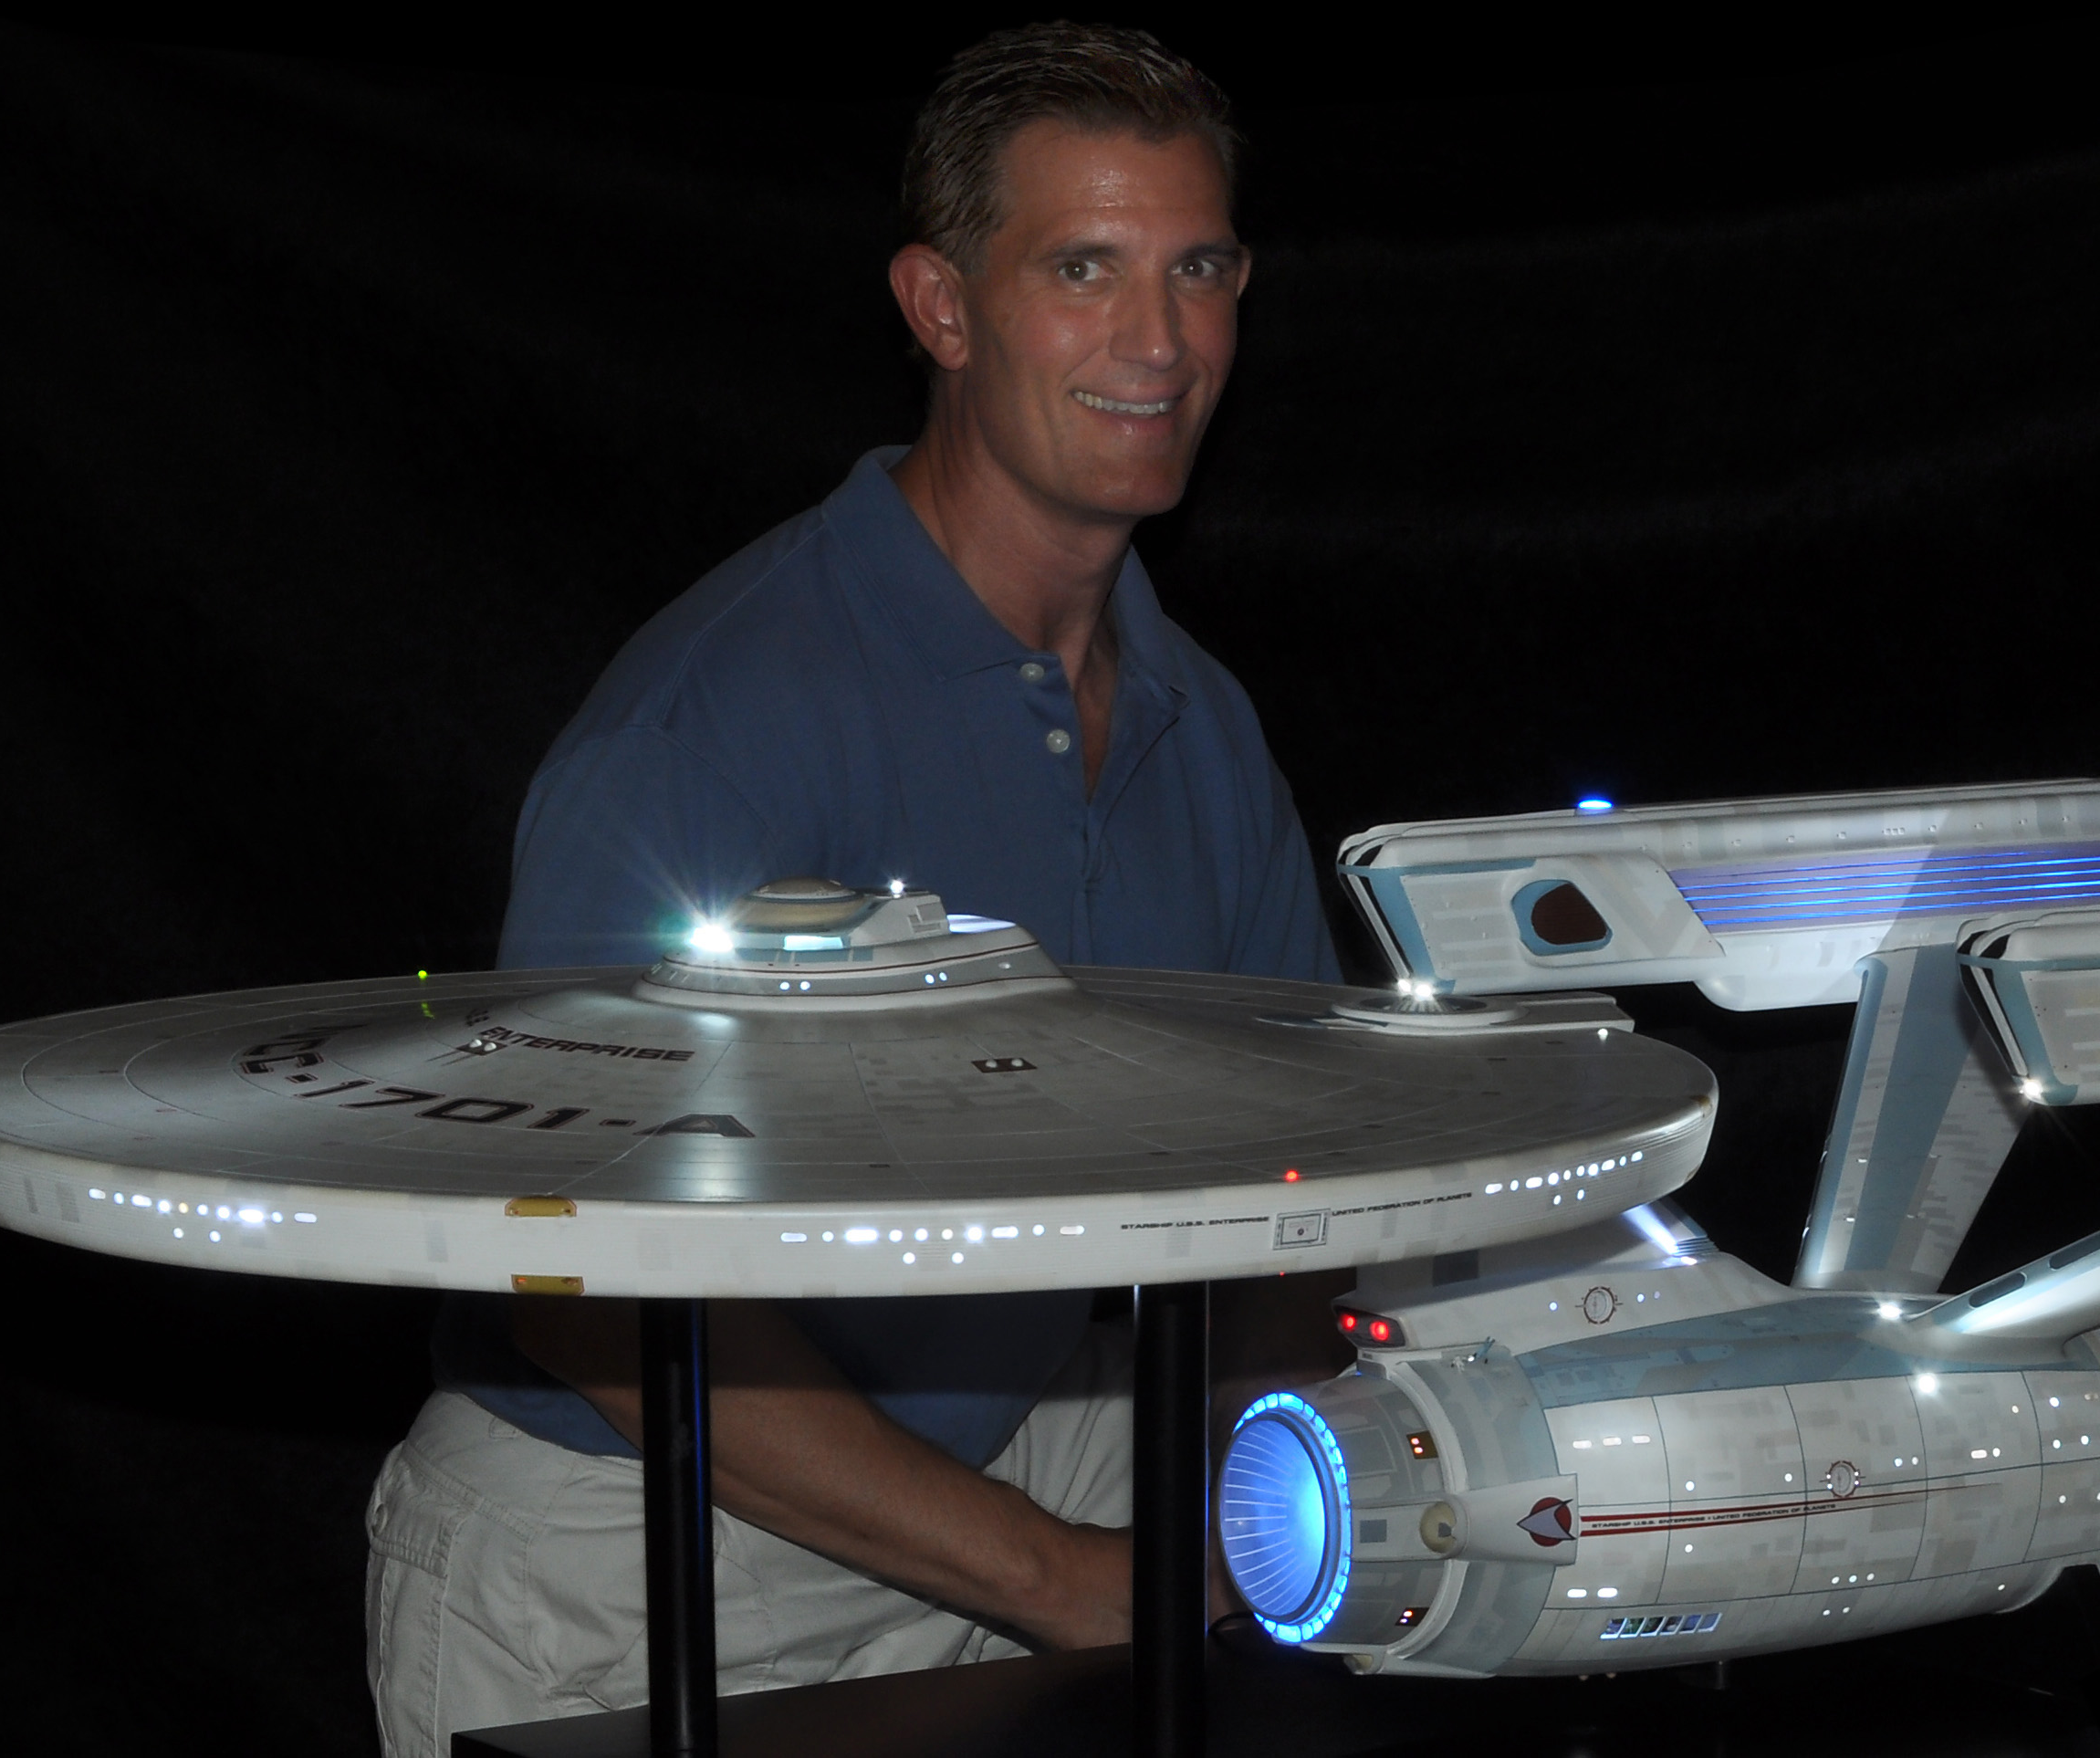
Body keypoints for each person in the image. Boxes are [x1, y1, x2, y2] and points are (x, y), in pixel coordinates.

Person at [361, 26, 1339, 1755]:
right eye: (1083, 269)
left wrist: (1266, 1500)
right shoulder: (720, 718)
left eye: (1197, 270)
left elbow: (1299, 1182)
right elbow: (567, 1277)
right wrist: (1058, 1572)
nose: (1159, 340)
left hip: (1038, 1462)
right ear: (941, 308)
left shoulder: (1201, 724)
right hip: (643, 1542)